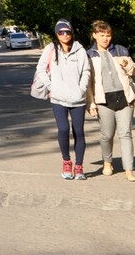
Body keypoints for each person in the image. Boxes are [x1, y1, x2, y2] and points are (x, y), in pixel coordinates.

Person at [35, 18, 93, 179]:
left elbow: (86, 71)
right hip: (58, 98)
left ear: (71, 33)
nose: (65, 35)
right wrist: (51, 86)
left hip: (78, 99)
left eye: (67, 32)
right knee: (63, 129)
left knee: (79, 132)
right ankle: (66, 162)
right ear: (57, 34)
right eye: (61, 32)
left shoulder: (80, 50)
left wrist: (81, 89)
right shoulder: (51, 49)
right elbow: (40, 69)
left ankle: (79, 166)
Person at [86, 20, 135, 182]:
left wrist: (126, 64)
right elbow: (88, 82)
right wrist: (90, 102)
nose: (105, 39)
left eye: (108, 35)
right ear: (95, 35)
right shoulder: (89, 55)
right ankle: (107, 162)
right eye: (102, 35)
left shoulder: (120, 50)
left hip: (125, 98)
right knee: (107, 135)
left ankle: (129, 170)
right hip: (104, 100)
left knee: (125, 134)